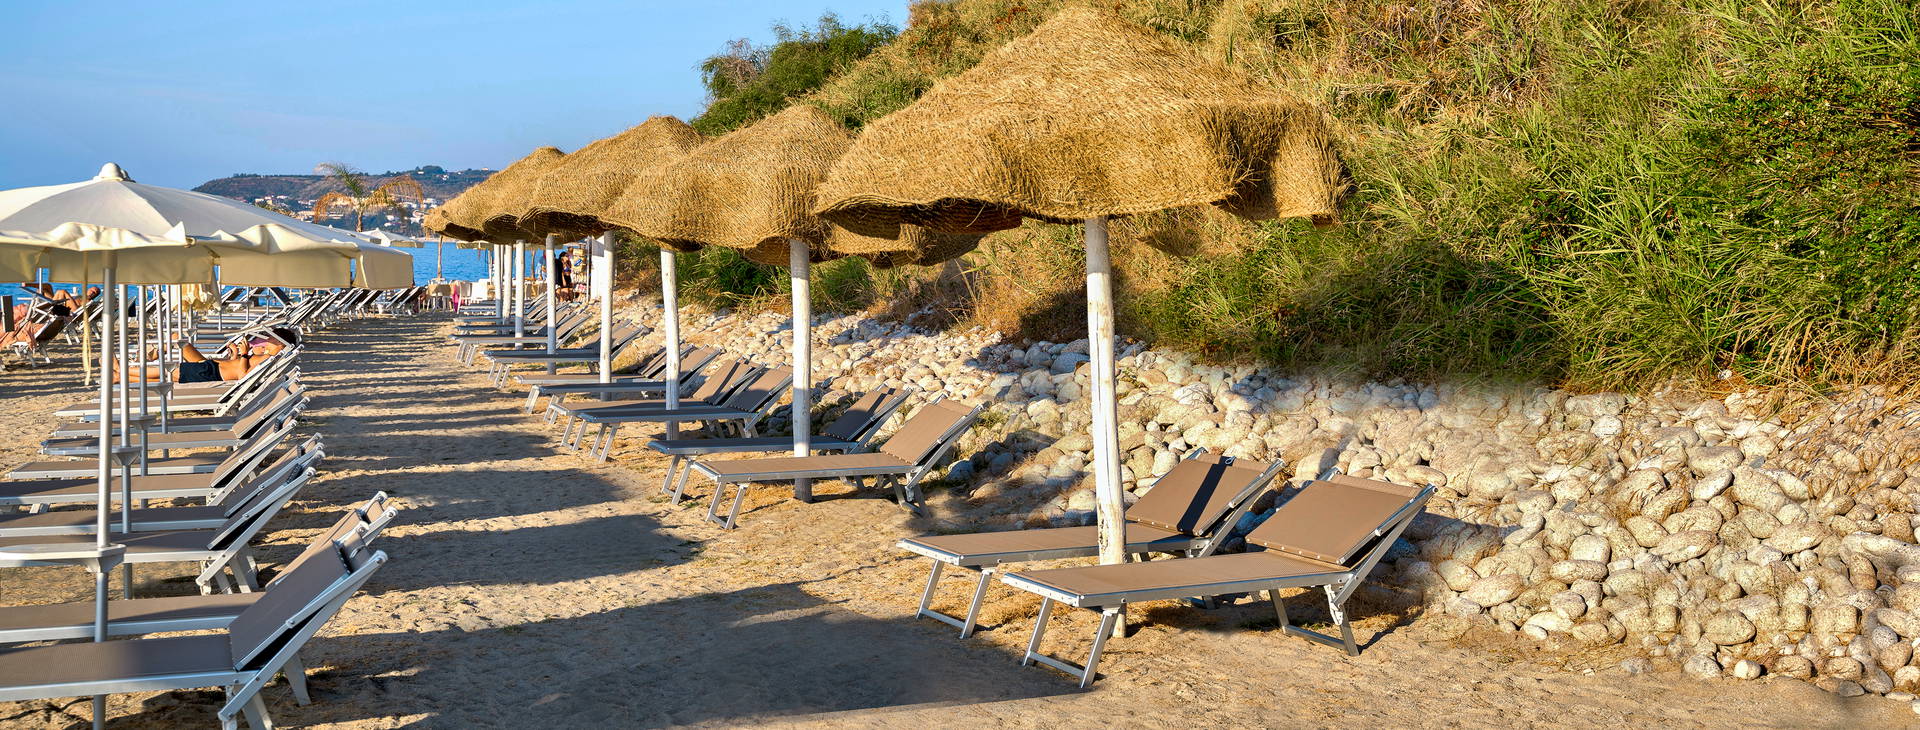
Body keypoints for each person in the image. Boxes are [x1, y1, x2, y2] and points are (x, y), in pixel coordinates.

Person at [117, 327, 297, 383]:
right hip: (211, 367)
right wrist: (235, 355)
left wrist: (243, 355)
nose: (267, 340)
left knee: (165, 372)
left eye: (271, 338)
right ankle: (120, 376)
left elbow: (243, 376)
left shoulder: (270, 360)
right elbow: (238, 368)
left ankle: (124, 370)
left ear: (280, 344)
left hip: (210, 372)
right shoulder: (267, 356)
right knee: (165, 375)